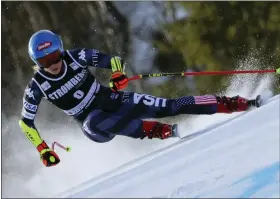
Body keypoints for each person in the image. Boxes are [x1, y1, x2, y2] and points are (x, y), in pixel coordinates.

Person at [19, 30, 255, 167]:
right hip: (94, 125)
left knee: (169, 106)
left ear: (61, 51)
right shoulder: (37, 86)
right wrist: (42, 149)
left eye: (55, 57)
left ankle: (232, 103)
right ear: (37, 64)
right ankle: (159, 131)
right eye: (44, 62)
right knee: (95, 120)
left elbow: (112, 60)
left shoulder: (75, 57)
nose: (52, 65)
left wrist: (118, 74)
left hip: (111, 99)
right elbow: (25, 122)